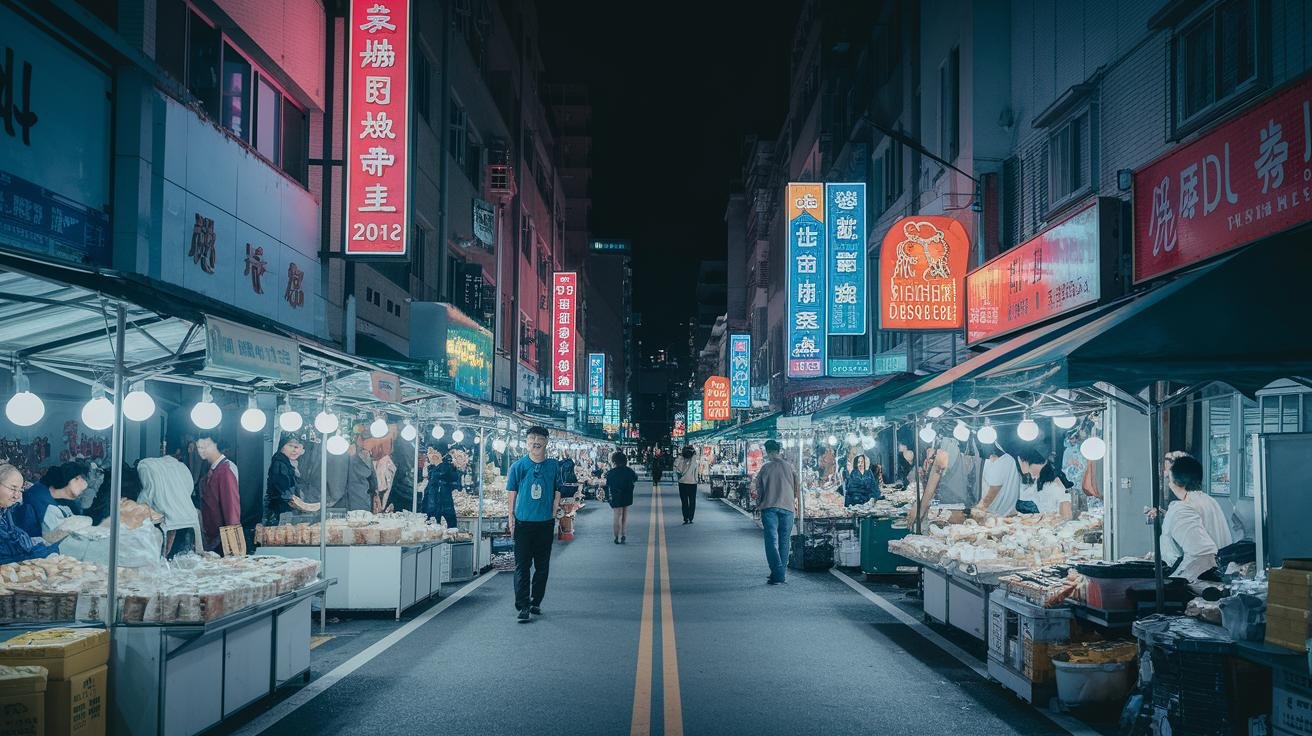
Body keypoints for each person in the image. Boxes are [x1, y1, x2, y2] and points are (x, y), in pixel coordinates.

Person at [507, 426, 562, 622]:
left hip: (545, 524)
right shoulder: (518, 466)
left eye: (540, 438)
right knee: (522, 566)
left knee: (542, 566)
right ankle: (523, 606)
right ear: (527, 442)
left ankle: (535, 601)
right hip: (523, 523)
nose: (535, 441)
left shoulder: (554, 466)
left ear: (546, 441)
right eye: (531, 438)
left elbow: (558, 489)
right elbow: (512, 493)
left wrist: (554, 512)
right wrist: (511, 518)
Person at [1153, 455, 1233, 582]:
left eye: (1169, 479)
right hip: (1219, 577)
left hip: (1196, 583)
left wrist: (1176, 580)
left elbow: (1201, 552)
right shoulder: (1209, 501)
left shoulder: (1181, 509)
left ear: (1176, 482)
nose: (1169, 483)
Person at [751, 440, 800, 586]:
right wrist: (793, 501)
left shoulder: (766, 468)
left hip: (769, 507)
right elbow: (797, 488)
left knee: (771, 541)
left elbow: (759, 489)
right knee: (784, 541)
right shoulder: (790, 467)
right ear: (779, 451)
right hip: (788, 507)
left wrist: (759, 504)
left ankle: (777, 573)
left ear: (768, 452)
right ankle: (780, 573)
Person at [137, 455, 203, 557]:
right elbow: (189, 488)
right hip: (188, 517)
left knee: (162, 556)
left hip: (164, 520)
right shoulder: (182, 468)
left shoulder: (146, 466)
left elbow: (147, 494)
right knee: (181, 557)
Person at [908, 438, 980, 525]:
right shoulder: (932, 442)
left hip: (957, 505)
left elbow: (937, 470)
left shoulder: (948, 443)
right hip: (941, 504)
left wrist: (921, 508)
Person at [13, 461, 88, 540]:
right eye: (79, 479)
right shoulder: (40, 497)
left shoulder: (52, 494)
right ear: (71, 478)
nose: (84, 484)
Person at [0, 464, 58, 563]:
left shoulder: (5, 511)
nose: (16, 496)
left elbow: (14, 536)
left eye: (20, 490)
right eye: (13, 489)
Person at [197, 437, 241, 553]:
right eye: (199, 447)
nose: (201, 451)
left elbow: (231, 507)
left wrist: (233, 545)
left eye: (206, 446)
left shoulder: (226, 470)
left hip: (222, 536)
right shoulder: (210, 467)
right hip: (211, 533)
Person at [265, 436, 319, 525]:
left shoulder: (291, 463)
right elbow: (284, 491)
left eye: (297, 447)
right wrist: (300, 504)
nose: (294, 450)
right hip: (281, 509)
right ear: (282, 447)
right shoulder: (280, 463)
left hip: (285, 509)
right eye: (290, 446)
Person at [1017, 446, 1074, 520]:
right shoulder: (1036, 480)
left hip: (1052, 525)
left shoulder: (1054, 482)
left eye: (1020, 463)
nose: (1020, 467)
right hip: (1039, 524)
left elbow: (1066, 510)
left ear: (1024, 462)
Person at [974, 442, 1022, 518]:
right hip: (1003, 513)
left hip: (998, 515)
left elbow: (994, 489)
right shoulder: (1007, 459)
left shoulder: (1001, 461)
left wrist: (978, 509)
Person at [424, 444, 461, 529]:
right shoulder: (431, 469)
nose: (428, 455)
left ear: (438, 454)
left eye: (431, 452)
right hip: (432, 511)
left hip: (443, 512)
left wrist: (439, 465)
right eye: (428, 452)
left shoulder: (448, 468)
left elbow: (456, 484)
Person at [606, 451, 637, 544]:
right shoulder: (629, 470)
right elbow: (635, 478)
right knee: (624, 515)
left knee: (616, 516)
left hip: (616, 495)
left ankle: (616, 537)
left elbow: (608, 484)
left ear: (614, 461)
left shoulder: (611, 472)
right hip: (627, 495)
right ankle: (623, 534)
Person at [344, 434, 377, 512]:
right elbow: (373, 481)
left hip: (354, 500)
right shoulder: (364, 455)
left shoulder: (363, 455)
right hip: (360, 500)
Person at [673, 446, 698, 524]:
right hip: (692, 483)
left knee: (684, 502)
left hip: (682, 483)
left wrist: (680, 456)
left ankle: (685, 518)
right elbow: (696, 468)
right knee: (692, 501)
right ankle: (691, 517)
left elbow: (677, 468)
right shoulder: (693, 460)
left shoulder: (681, 460)